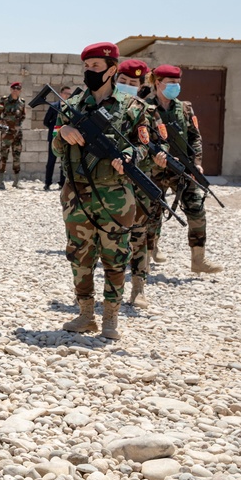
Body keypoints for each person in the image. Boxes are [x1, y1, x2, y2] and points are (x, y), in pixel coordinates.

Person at [53, 42, 150, 340]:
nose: (89, 71)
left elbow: (144, 146)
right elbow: (57, 148)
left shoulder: (133, 108)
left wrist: (131, 157)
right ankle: (85, 315)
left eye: (96, 67)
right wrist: (63, 134)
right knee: (79, 255)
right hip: (76, 194)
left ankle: (110, 318)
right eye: (87, 66)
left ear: (111, 70)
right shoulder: (71, 106)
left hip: (115, 196)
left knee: (115, 256)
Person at [144, 65, 223, 274]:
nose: (175, 87)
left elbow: (195, 137)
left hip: (183, 168)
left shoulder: (185, 108)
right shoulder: (144, 108)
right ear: (157, 82)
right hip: (156, 169)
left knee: (197, 210)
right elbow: (140, 139)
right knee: (152, 213)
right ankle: (147, 253)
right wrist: (154, 157)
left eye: (177, 83)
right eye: (170, 83)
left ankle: (199, 259)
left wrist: (197, 161)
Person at [114, 60, 168, 307]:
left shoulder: (148, 111)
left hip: (138, 180)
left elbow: (160, 141)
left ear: (141, 86)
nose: (126, 86)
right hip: (108, 182)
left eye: (132, 83)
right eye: (122, 82)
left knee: (138, 235)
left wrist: (160, 155)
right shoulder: (104, 107)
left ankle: (138, 289)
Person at [0, 81, 26, 189]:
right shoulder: (4, 100)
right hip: (7, 133)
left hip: (17, 133)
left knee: (17, 156)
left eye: (17, 89)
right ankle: (1, 181)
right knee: (3, 156)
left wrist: (18, 125)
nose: (15, 90)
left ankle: (16, 182)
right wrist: (4, 124)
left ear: (20, 91)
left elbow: (23, 116)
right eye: (13, 88)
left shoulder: (22, 102)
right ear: (10, 89)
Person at [43, 86, 73, 190]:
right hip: (54, 138)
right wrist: (54, 129)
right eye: (66, 93)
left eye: (70, 94)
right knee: (51, 161)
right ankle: (47, 183)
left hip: (66, 139)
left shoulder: (71, 107)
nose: (68, 96)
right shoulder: (54, 106)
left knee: (64, 161)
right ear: (61, 94)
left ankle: (62, 183)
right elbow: (46, 121)